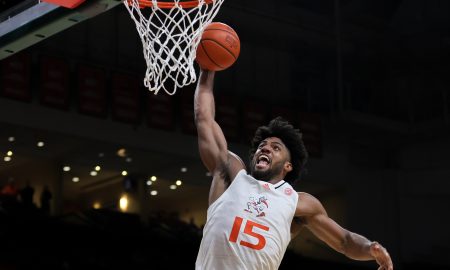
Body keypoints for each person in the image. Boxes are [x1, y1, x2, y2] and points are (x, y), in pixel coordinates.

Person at [193, 70, 393, 270]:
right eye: (262, 145)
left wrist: (370, 248)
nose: (265, 148)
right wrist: (207, 71)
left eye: (275, 147)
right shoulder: (232, 174)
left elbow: (345, 241)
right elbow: (204, 118)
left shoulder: (299, 203)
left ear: (288, 166)